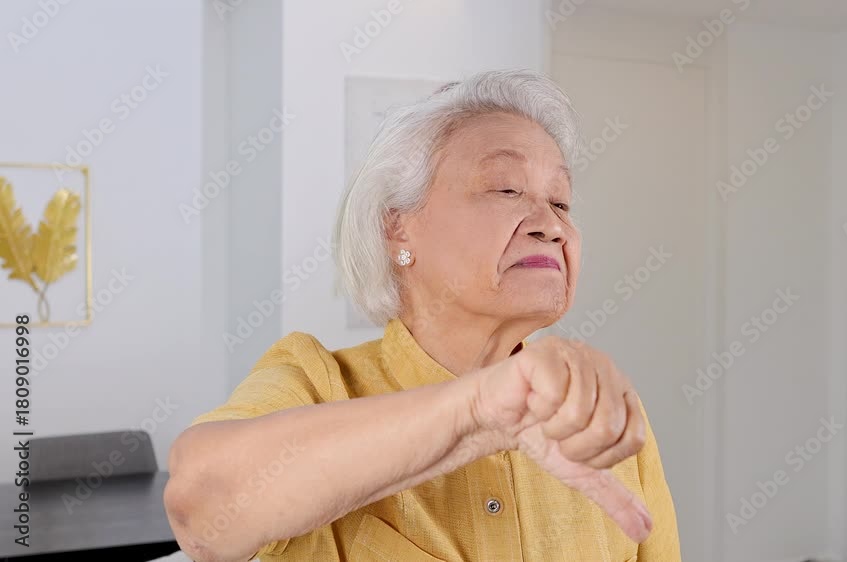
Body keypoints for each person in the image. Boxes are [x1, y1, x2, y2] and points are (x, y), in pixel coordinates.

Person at [164, 69, 682, 562]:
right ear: (397, 229)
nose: (551, 225)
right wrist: (477, 411)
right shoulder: (315, 381)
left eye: (562, 202)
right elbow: (200, 510)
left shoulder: (600, 415)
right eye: (506, 188)